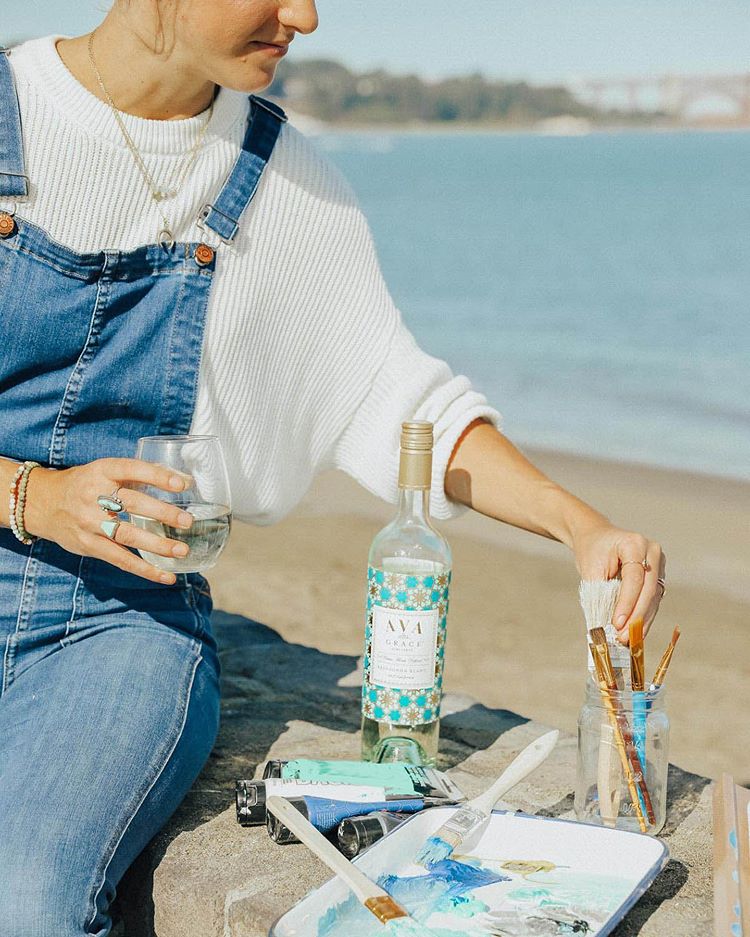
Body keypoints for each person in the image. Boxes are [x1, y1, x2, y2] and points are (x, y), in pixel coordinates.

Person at [0, 1, 666, 933]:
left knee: (23, 897)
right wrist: (28, 492)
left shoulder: (288, 186)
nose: (304, 16)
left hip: (115, 627)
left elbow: (393, 397)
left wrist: (578, 523)